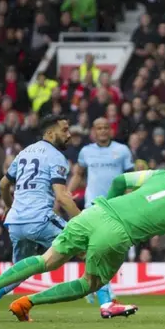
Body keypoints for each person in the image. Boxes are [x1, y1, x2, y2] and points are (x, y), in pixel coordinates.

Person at [0, 161, 165, 321]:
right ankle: (28, 302)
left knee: (46, 260)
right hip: (116, 234)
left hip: (95, 212)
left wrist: (110, 204)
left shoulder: (164, 175)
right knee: (91, 283)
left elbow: (120, 180)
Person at [0, 114, 81, 318]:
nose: (69, 135)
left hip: (16, 222)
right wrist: (84, 220)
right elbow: (61, 196)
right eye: (65, 130)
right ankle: (108, 303)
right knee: (87, 242)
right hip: (40, 219)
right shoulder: (56, 156)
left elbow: (3, 185)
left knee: (20, 270)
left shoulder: (24, 153)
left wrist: (9, 205)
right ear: (50, 133)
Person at [68, 117, 136, 318]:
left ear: (111, 130)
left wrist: (131, 201)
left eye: (106, 127)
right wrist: (66, 196)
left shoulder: (122, 150)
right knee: (94, 248)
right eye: (99, 128)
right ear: (93, 132)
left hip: (116, 207)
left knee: (111, 249)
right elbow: (79, 175)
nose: (103, 131)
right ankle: (102, 288)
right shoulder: (85, 152)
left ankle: (92, 283)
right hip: (92, 206)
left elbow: (130, 179)